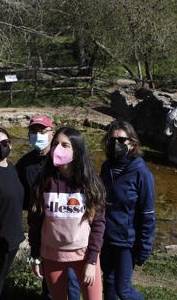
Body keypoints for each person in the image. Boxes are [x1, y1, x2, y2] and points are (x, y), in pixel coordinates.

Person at [28, 127, 106, 300]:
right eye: (55, 144)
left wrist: (92, 261)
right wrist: (35, 255)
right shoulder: (42, 183)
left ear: (76, 150)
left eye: (65, 145)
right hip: (52, 255)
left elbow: (98, 224)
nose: (57, 149)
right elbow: (34, 222)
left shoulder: (90, 184)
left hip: (84, 255)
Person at [16, 115, 81, 300]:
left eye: (43, 131)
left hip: (65, 230)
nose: (38, 135)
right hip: (41, 230)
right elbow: (19, 198)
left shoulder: (62, 160)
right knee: (49, 277)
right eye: (34, 131)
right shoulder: (24, 164)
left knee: (70, 280)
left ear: (52, 133)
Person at [99, 120, 155, 300]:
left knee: (123, 289)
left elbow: (147, 214)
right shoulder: (106, 168)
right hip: (106, 239)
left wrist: (145, 246)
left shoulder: (141, 173)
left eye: (121, 140)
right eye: (112, 139)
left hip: (126, 243)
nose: (116, 144)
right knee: (108, 283)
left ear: (131, 142)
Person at [0, 127, 25, 300]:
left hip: (13, 239)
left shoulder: (12, 168)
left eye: (4, 142)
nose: (1, 147)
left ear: (10, 145)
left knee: (0, 280)